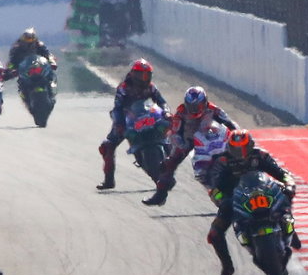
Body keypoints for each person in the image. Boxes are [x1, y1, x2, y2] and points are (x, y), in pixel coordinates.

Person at [205, 129, 301, 275]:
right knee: (214, 234)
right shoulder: (222, 161)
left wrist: (289, 184)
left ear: (250, 145)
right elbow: (212, 186)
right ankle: (227, 266)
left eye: (243, 148)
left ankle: (290, 229)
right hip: (235, 199)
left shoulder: (260, 155)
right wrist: (221, 199)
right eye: (236, 149)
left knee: (285, 194)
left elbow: (281, 173)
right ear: (230, 147)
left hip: (262, 193)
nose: (241, 153)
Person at [143, 86, 237, 205]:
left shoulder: (214, 109)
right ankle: (160, 195)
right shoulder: (181, 113)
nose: (194, 110)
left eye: (198, 106)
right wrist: (180, 144)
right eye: (191, 106)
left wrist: (236, 134)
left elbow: (229, 123)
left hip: (212, 137)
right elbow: (175, 132)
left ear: (205, 102)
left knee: (239, 150)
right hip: (188, 139)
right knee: (169, 164)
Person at [97, 58, 166, 191]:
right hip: (128, 119)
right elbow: (117, 108)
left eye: (146, 75)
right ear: (133, 74)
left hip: (148, 116)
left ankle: (169, 154)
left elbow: (162, 102)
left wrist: (167, 113)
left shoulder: (151, 87)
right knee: (107, 146)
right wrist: (119, 124)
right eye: (141, 75)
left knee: (171, 130)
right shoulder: (124, 88)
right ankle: (109, 180)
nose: (144, 78)